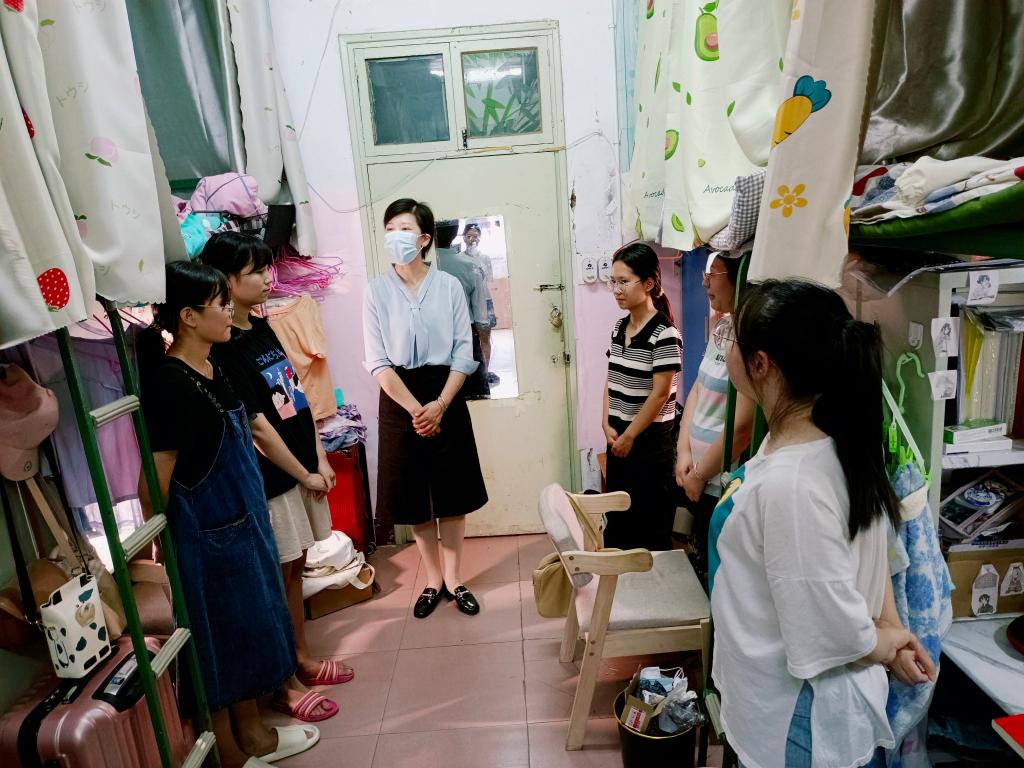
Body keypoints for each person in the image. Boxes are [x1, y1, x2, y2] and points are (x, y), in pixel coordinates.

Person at [708, 280, 935, 768]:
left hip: (799, 722)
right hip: (783, 703)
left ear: (762, 364)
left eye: (732, 339)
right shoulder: (824, 443)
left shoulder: (792, 486)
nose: (725, 348)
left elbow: (828, 630)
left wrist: (886, 641)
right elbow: (869, 551)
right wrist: (889, 628)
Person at [140, 261, 318, 768]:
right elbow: (155, 482)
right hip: (207, 540)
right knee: (218, 650)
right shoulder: (170, 383)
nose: (228, 311)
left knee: (249, 636)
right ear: (189, 316)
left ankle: (255, 734)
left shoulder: (213, 367)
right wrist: (161, 547)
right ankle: (232, 754)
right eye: (219, 303)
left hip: (243, 529)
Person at [199, 232, 347, 723]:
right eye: (257, 271)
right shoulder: (223, 349)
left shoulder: (262, 326)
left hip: (302, 465)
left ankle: (300, 658)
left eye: (267, 268)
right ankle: (283, 681)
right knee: (276, 576)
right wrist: (304, 473)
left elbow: (295, 395)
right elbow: (258, 426)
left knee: (296, 568)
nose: (269, 278)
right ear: (226, 280)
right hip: (275, 476)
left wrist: (320, 457)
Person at [363, 198, 488, 618]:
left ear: (423, 239)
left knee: (452, 493)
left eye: (403, 229)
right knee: (413, 494)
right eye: (389, 229)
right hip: (399, 396)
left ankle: (454, 579)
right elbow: (377, 361)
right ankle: (433, 579)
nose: (394, 236)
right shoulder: (375, 291)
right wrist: (419, 410)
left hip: (445, 391)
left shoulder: (449, 286)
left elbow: (464, 352)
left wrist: (439, 405)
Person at [674, 253, 754, 587]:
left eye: (713, 274)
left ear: (739, 279)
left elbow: (743, 427)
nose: (705, 282)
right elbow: (697, 389)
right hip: (695, 472)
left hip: (718, 479)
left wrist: (700, 474)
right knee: (693, 561)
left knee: (716, 575)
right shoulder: (722, 327)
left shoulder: (751, 339)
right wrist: (683, 453)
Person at [602, 242, 682, 551]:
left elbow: (660, 395)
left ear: (648, 284)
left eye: (624, 281)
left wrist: (630, 435)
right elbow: (611, 377)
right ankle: (619, 580)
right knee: (618, 522)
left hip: (648, 443)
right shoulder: (619, 327)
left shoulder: (665, 334)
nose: (616, 290)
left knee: (649, 530)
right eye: (613, 281)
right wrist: (606, 423)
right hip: (618, 438)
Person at [435, 221, 490, 399]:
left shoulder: (425, 267)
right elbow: (480, 309)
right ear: (457, 234)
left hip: (435, 335)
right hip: (466, 331)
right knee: (475, 394)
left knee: (440, 391)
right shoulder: (468, 265)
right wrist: (482, 328)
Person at [462, 223, 499, 384]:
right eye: (469, 236)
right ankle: (473, 376)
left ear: (480, 238)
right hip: (467, 303)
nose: (472, 239)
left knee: (485, 337)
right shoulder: (459, 258)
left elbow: (489, 279)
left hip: (484, 301)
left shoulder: (485, 258)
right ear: (464, 238)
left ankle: (485, 372)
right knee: (469, 340)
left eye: (475, 236)